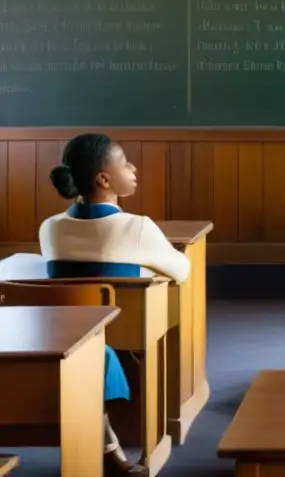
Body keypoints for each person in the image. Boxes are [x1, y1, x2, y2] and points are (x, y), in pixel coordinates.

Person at [40, 133, 191, 475]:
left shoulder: (50, 228)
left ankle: (107, 444)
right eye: (125, 162)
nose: (133, 167)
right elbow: (182, 270)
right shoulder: (136, 228)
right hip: (115, 334)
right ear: (104, 179)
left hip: (65, 335)